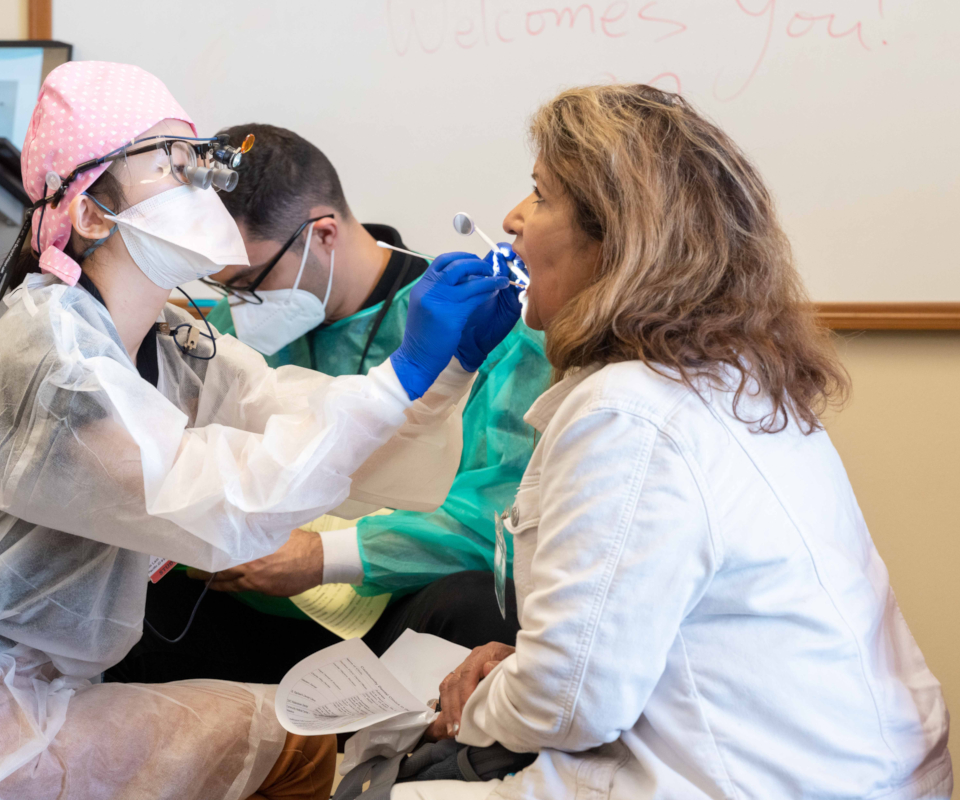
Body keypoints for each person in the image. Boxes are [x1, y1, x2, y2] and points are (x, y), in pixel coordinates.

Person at [0, 62, 517, 800]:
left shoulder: (173, 341)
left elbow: (304, 423)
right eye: (173, 164)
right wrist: (400, 377)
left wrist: (445, 373)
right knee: (294, 747)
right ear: (90, 214)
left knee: (297, 732)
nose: (203, 184)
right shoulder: (52, 363)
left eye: (196, 160)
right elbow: (226, 503)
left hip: (41, 684)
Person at [384, 85, 953, 799]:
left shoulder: (628, 412)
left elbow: (571, 700)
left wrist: (478, 707)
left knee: (398, 783)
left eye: (541, 195)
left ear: (619, 240)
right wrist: (527, 668)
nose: (512, 220)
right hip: (847, 768)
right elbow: (598, 650)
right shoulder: (727, 376)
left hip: (770, 781)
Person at [107, 125, 550, 686]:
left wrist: (322, 554)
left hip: (392, 614)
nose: (240, 310)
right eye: (227, 288)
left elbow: (499, 514)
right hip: (244, 612)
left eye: (250, 282)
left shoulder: (483, 327)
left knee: (476, 604)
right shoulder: (221, 336)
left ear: (323, 234)